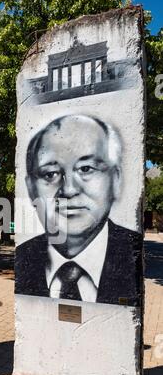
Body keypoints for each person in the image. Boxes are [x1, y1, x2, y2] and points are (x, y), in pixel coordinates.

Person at [15, 115, 142, 306]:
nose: (69, 190)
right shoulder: (23, 257)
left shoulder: (132, 252)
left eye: (86, 168)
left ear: (116, 180)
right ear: (31, 189)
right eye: (50, 174)